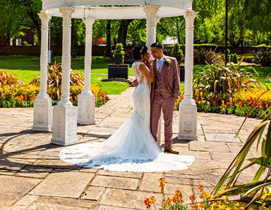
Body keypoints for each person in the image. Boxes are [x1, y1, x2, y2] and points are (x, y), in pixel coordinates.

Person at [59, 45, 193, 172]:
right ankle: (146, 145)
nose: (150, 54)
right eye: (147, 52)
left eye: (152, 52)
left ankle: (157, 144)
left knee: (143, 118)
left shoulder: (139, 64)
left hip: (145, 92)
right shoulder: (142, 64)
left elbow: (147, 79)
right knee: (145, 119)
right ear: (142, 54)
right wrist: (150, 66)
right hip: (145, 93)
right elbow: (151, 79)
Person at [148, 42, 179, 154]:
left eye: (154, 51)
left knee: (168, 121)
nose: (152, 53)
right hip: (155, 96)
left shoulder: (172, 61)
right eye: (151, 51)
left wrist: (175, 94)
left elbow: (176, 77)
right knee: (153, 121)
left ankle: (168, 145)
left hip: (169, 96)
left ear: (161, 51)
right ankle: (153, 144)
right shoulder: (151, 62)